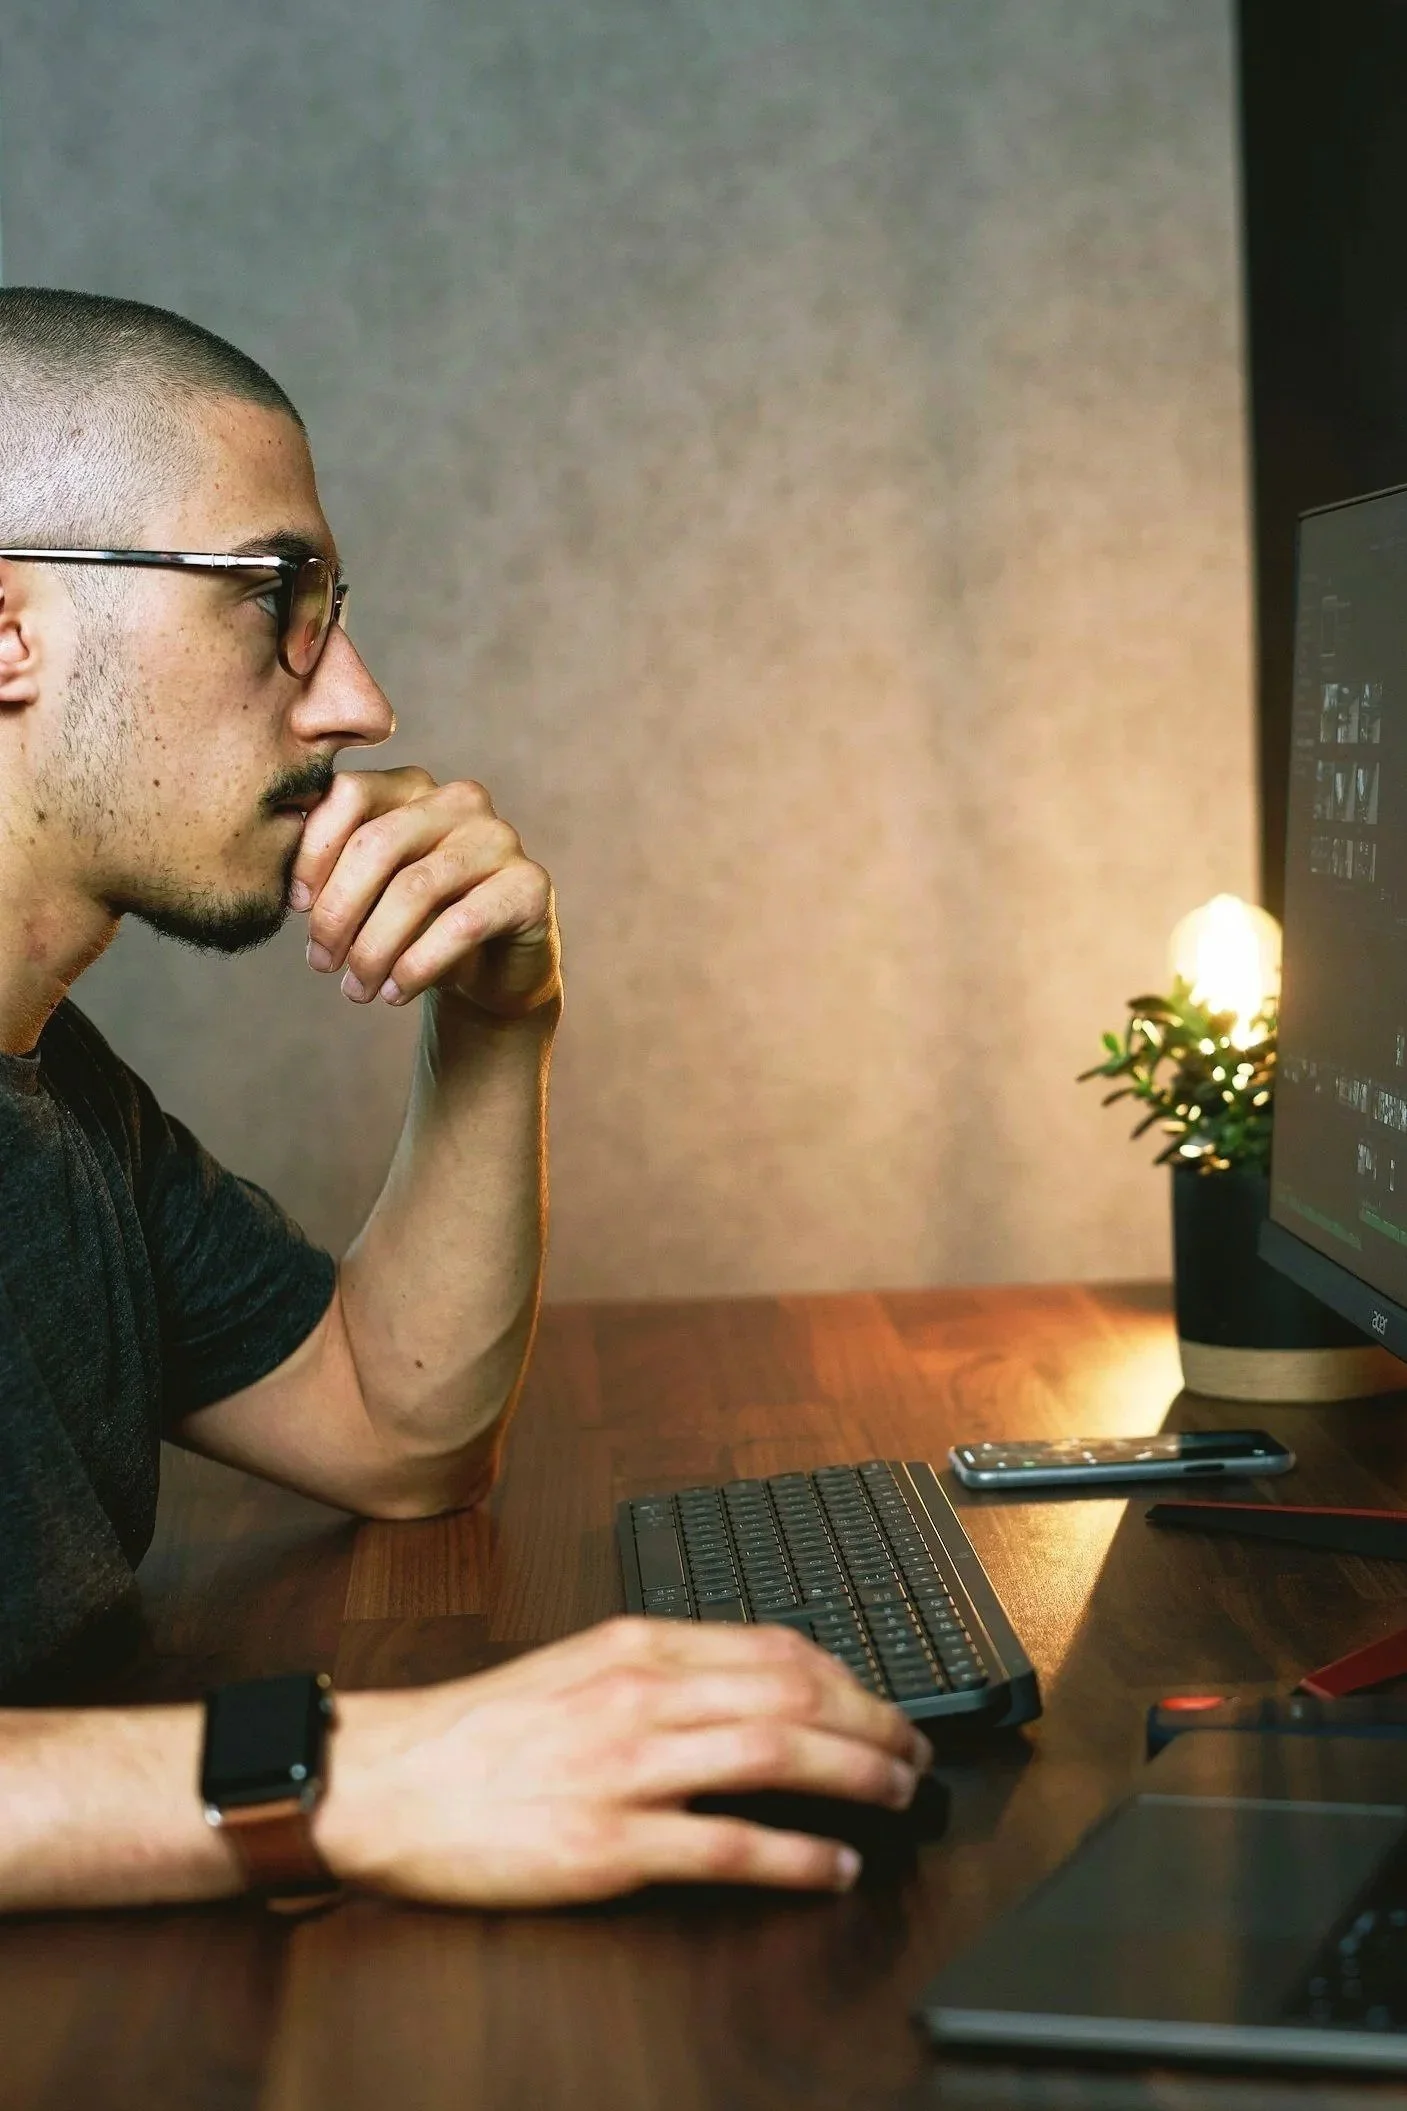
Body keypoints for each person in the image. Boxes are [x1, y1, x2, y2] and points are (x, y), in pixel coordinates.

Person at [0, 289, 931, 1914]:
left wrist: (501, 1016)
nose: (357, 698)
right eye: (273, 594)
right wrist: (362, 1774)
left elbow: (394, 1422)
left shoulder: (55, 1090)